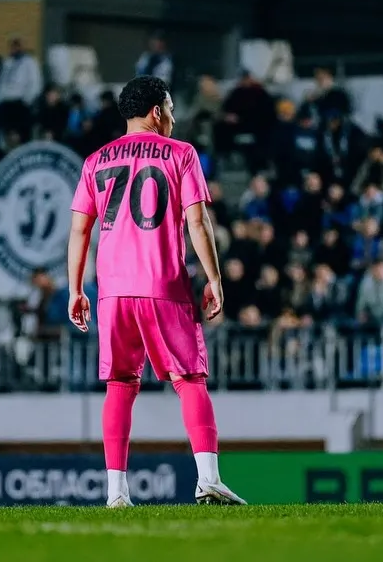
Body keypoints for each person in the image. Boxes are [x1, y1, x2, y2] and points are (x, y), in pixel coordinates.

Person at [67, 75, 246, 507]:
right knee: (189, 379)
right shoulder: (181, 153)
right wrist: (215, 279)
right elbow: (197, 222)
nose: (173, 117)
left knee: (120, 385)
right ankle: (208, 479)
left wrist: (76, 289)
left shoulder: (95, 161)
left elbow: (79, 229)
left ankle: (116, 494)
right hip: (162, 283)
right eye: (170, 108)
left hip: (112, 291)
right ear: (156, 112)